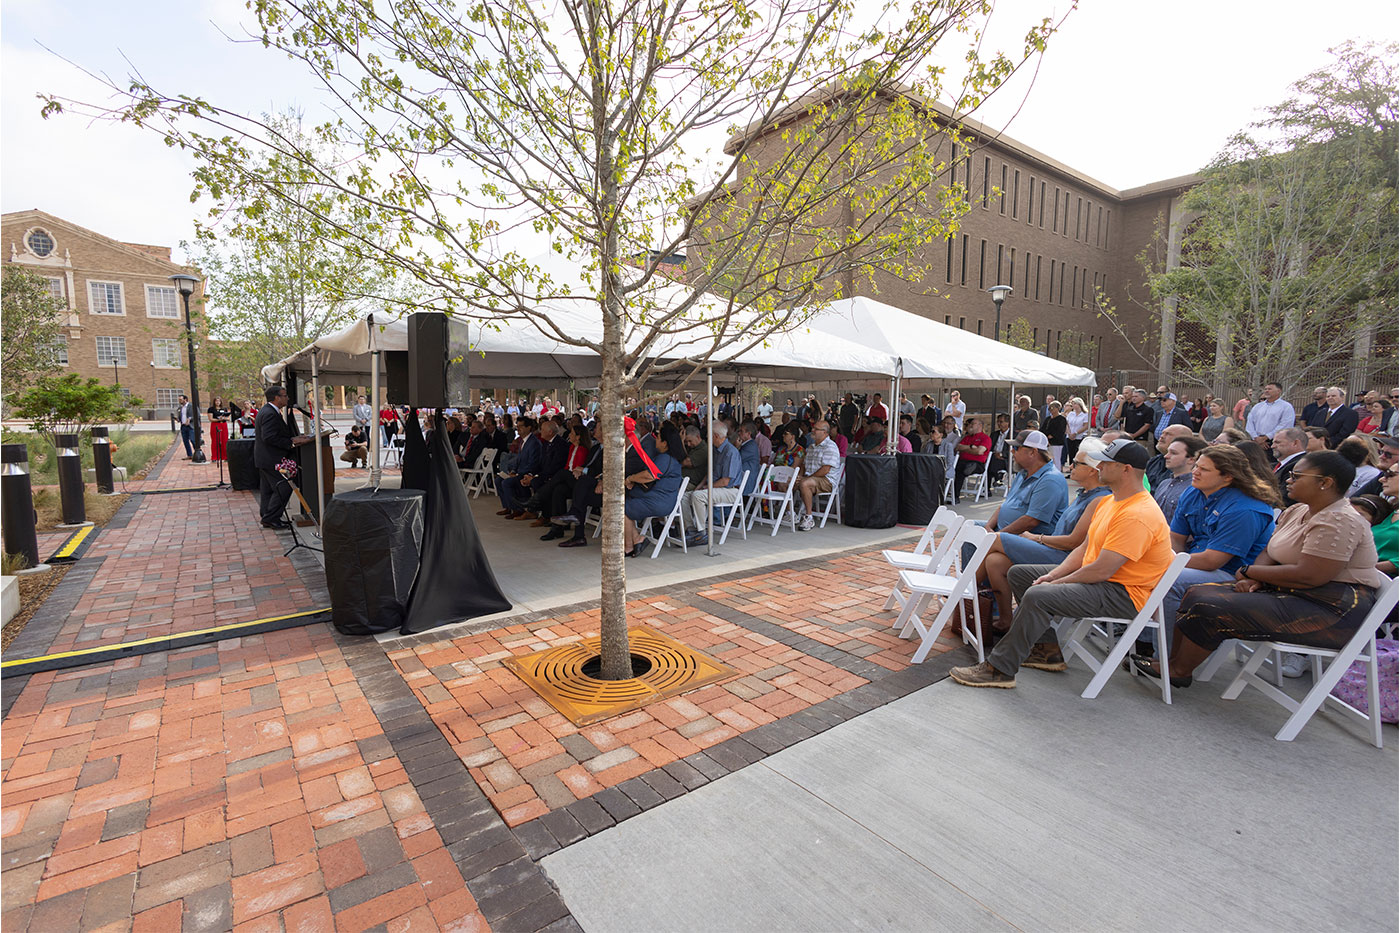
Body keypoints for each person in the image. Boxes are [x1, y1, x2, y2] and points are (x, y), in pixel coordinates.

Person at [1135, 451, 1383, 689]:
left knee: (1210, 605)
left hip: (1330, 607)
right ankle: (1171, 662)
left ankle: (1179, 669)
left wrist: (1252, 573)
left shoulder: (1339, 520)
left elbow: (1312, 575)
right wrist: (1255, 576)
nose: (1289, 479)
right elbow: (1270, 551)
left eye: (1297, 476)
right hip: (1293, 591)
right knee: (1198, 593)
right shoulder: (1298, 510)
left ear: (1325, 483)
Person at [950, 439, 1174, 688]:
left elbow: (1103, 569)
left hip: (1125, 593)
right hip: (1107, 582)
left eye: (1106, 462)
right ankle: (1046, 650)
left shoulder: (1137, 513)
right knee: (1019, 574)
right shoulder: (1110, 502)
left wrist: (1057, 580)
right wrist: (1055, 574)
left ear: (1126, 469)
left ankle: (999, 669)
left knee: (1038, 594)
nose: (1099, 466)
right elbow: (1083, 549)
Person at [976, 437, 1113, 633]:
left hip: (1065, 558)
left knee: (998, 538)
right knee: (995, 561)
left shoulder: (1099, 499)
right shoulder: (1085, 493)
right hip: (1052, 549)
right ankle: (1006, 621)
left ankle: (966, 589)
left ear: (1092, 470)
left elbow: (1074, 542)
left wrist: (1035, 538)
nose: (1070, 466)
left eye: (1077, 463)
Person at [1155, 445, 1279, 646]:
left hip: (1232, 574)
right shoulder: (1193, 492)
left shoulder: (1245, 509)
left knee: (1168, 579)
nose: (1195, 472)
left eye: (1204, 469)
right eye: (1196, 466)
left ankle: (1165, 656)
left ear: (1228, 477)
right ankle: (1137, 639)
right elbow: (1176, 537)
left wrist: (1166, 563)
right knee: (1144, 569)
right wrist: (1169, 560)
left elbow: (1213, 561)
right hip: (1194, 561)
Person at [984, 431, 1067, 537]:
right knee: (970, 527)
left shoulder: (1050, 479)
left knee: (981, 543)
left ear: (1033, 452)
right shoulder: (1023, 472)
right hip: (1005, 531)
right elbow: (1005, 505)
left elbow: (1031, 521)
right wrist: (988, 527)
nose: (1012, 451)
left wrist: (997, 536)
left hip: (1030, 538)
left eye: (1016, 448)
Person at [254, 386, 312, 529]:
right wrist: (291, 442)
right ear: (276, 398)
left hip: (264, 458)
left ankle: (267, 516)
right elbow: (269, 437)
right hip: (271, 458)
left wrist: (293, 438)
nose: (287, 398)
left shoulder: (268, 411)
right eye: (284, 396)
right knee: (284, 487)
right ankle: (271, 518)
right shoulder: (269, 413)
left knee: (268, 489)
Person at [623, 425, 685, 557]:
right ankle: (637, 539)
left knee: (621, 508)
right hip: (660, 499)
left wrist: (630, 479)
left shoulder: (665, 458)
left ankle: (629, 546)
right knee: (623, 501)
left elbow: (649, 475)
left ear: (665, 443)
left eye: (658, 438)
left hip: (658, 501)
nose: (655, 440)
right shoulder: (670, 458)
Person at [685, 422, 743, 545]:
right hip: (718, 487)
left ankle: (701, 533)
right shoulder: (716, 450)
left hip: (730, 490)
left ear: (715, 436)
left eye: (708, 436)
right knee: (684, 497)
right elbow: (710, 473)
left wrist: (706, 487)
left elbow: (725, 481)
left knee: (698, 496)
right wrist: (700, 486)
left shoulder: (730, 452)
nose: (707, 438)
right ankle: (691, 529)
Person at [794, 421, 840, 531]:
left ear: (824, 432)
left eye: (816, 429)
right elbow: (804, 466)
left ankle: (809, 517)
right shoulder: (811, 447)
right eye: (813, 428)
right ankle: (790, 514)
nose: (812, 431)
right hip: (812, 478)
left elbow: (825, 470)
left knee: (805, 483)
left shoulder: (830, 447)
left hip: (827, 480)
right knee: (788, 482)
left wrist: (805, 478)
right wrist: (798, 477)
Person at [1152, 434, 1207, 523]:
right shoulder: (1164, 483)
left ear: (1191, 459)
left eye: (1173, 453)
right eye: (1168, 452)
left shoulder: (1196, 488)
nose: (1166, 456)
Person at [951, 417, 991, 504]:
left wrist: (965, 449)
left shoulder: (985, 438)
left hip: (978, 463)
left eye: (973, 424)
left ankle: (955, 496)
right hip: (963, 461)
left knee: (961, 469)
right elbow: (958, 447)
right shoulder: (967, 438)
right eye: (970, 424)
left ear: (980, 426)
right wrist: (971, 447)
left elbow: (980, 451)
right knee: (959, 467)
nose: (970, 425)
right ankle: (953, 493)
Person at [1245, 382, 1296, 447]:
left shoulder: (1286, 407)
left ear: (1278, 391)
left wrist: (1266, 438)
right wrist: (1256, 438)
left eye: (1269, 389)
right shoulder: (1258, 406)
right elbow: (1250, 422)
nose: (1266, 391)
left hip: (1275, 441)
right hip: (1255, 441)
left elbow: (1285, 425)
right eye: (1265, 389)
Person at [1145, 424, 1192, 490]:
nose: (1161, 437)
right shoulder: (1153, 461)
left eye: (1168, 434)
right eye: (1162, 433)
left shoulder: (1184, 465)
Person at [1271, 427, 1308, 506]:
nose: (1272, 446)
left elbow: (1285, 498)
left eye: (1277, 442)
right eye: (1273, 442)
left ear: (1295, 443)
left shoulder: (1301, 465)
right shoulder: (1276, 465)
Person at [1042, 400, 1067, 470]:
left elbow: (1061, 431)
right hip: (1047, 442)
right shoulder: (1048, 419)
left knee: (1055, 459)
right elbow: (1043, 429)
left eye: (1052, 408)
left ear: (1057, 408)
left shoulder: (1062, 419)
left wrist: (1052, 436)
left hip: (1056, 443)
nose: (1051, 410)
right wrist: (1046, 437)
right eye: (1050, 408)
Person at [1064, 397, 1090, 465]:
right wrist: (1069, 433)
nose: (1073, 405)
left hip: (1079, 436)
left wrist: (1076, 433)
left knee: (1077, 453)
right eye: (1072, 404)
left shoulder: (1085, 414)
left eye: (1075, 404)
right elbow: (1067, 424)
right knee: (1070, 454)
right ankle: (1071, 469)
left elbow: (1085, 426)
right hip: (1069, 436)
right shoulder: (1071, 414)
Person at [206, 396, 230, 463]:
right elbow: (210, 419)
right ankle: (214, 457)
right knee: (216, 441)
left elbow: (228, 418)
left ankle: (225, 457)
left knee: (224, 440)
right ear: (214, 402)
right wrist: (218, 419)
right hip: (215, 425)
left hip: (224, 425)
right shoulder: (211, 409)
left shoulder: (224, 409)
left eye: (219, 401)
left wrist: (224, 418)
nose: (217, 402)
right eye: (216, 401)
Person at [177, 394, 194, 459]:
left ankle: (197, 453)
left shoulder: (191, 406)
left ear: (185, 399)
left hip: (190, 426)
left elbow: (196, 415)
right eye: (179, 400)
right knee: (185, 441)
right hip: (183, 426)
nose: (179, 401)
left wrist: (190, 419)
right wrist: (178, 419)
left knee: (192, 439)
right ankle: (189, 455)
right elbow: (181, 416)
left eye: (181, 399)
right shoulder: (180, 408)